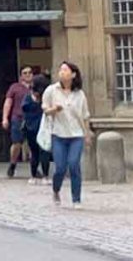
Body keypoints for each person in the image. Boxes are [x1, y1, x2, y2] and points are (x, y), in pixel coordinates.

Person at [43, 61, 93, 208]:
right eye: (61, 70)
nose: (62, 72)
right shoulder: (52, 90)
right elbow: (45, 110)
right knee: (60, 168)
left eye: (65, 70)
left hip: (76, 135)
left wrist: (87, 133)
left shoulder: (79, 94)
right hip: (58, 134)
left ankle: (76, 199)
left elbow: (85, 115)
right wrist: (54, 109)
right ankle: (56, 190)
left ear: (73, 74)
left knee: (74, 164)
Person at [2, 66, 34, 178]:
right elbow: (8, 102)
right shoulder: (15, 87)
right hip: (18, 118)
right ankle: (13, 163)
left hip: (32, 118)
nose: (28, 75)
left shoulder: (35, 87)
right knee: (17, 144)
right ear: (21, 76)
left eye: (30, 72)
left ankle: (34, 168)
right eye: (25, 73)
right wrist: (5, 118)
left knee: (33, 144)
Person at [21, 74, 51, 186]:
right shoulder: (29, 97)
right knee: (35, 152)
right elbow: (24, 108)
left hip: (42, 128)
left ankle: (45, 175)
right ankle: (34, 175)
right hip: (32, 129)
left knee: (44, 152)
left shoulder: (45, 98)